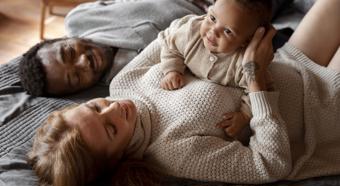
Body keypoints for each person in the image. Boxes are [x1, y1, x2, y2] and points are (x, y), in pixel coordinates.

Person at [27, 0, 340, 185]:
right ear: (116, 159)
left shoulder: (121, 84)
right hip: (319, 112)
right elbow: (270, 164)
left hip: (289, 62)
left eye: (95, 107)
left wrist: (221, 25)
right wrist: (254, 79)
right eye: (111, 129)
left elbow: (169, 37)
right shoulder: (172, 153)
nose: (115, 108)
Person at [18, 0, 207, 96]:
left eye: (69, 52)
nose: (83, 61)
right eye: (76, 76)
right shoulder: (127, 81)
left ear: (62, 38)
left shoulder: (78, 18)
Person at [158, 0, 273, 139]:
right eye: (212, 18)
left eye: (228, 31)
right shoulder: (191, 32)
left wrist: (245, 115)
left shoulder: (245, 63)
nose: (213, 31)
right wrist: (172, 70)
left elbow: (260, 90)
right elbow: (171, 46)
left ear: (246, 41)